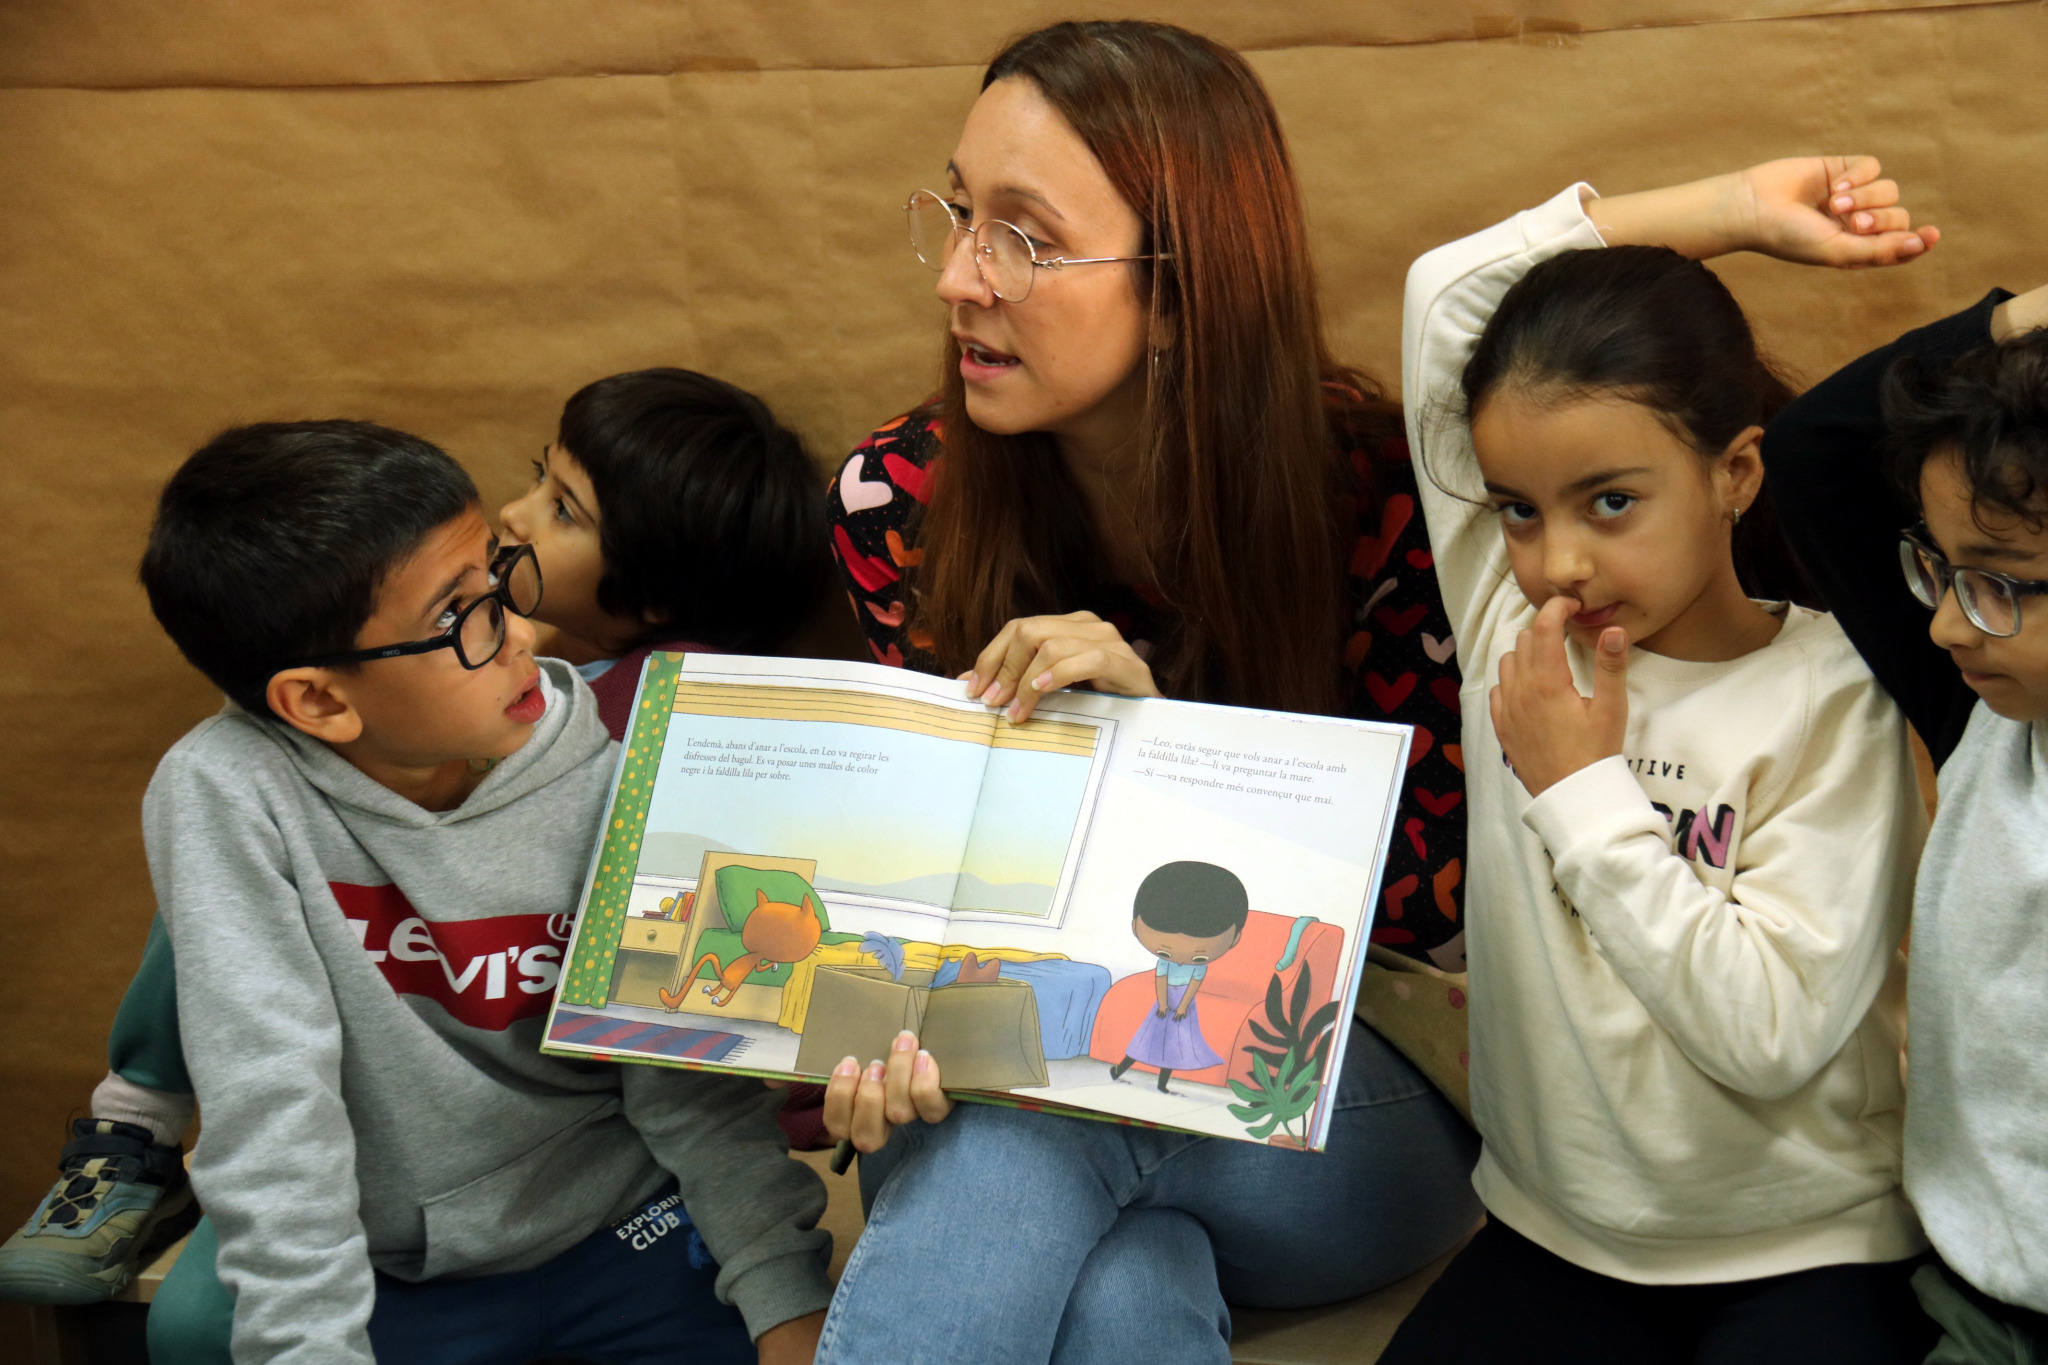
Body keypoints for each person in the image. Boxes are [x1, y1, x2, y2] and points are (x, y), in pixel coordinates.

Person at [814, 21, 1480, 1365]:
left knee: (1031, 1104)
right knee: (1118, 1271)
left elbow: (1425, 907)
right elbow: (936, 892)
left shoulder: (1381, 500)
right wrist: (868, 1036)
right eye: (958, 213)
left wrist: (1152, 744)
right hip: (1027, 1066)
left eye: (1023, 238)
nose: (957, 277)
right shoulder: (898, 500)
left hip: (1344, 1089)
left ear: (1180, 292)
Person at [0, 367, 836, 1310]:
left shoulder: (649, 733)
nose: (519, 515)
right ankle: (138, 1121)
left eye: (564, 509)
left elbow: (679, 1070)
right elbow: (270, 1092)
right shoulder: (257, 771)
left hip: (606, 1182)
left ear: (657, 593)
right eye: (539, 478)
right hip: (367, 1186)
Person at [1378, 159, 1943, 1364]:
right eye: (1516, 510)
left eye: (1609, 503)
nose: (1556, 563)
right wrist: (1730, 214)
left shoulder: (1832, 695)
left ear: (1733, 473)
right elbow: (1446, 293)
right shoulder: (1509, 632)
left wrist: (1580, 793)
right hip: (1554, 1235)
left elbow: (1768, 1036)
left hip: (1805, 1243)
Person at [1762, 282, 2048, 1359]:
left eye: (1999, 583)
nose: (1942, 625)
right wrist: (2020, 320)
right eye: (1940, 568)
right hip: (1978, 1303)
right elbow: (1813, 450)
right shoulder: (1977, 717)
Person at [1105, 862, 1251, 1092]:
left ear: (1234, 939)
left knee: (1175, 1047)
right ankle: (1118, 1070)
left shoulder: (1199, 968)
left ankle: (1162, 1085)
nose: (1181, 959)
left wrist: (1183, 1007)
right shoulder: (1165, 963)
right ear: (1135, 926)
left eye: (1199, 956)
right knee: (1146, 1040)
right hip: (1164, 1005)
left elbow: (1193, 986)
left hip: (1184, 1005)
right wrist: (1163, 1004)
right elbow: (1160, 980)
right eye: (1166, 951)